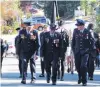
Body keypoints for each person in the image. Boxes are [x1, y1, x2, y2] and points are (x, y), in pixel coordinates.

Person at [72, 19, 94, 86]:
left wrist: (90, 50)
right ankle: (80, 77)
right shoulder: (75, 31)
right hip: (77, 51)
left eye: (78, 25)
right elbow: (73, 41)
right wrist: (73, 50)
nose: (77, 27)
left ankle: (84, 81)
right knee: (78, 66)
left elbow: (92, 41)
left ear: (82, 26)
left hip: (85, 52)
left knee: (83, 66)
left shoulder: (88, 32)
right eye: (77, 25)